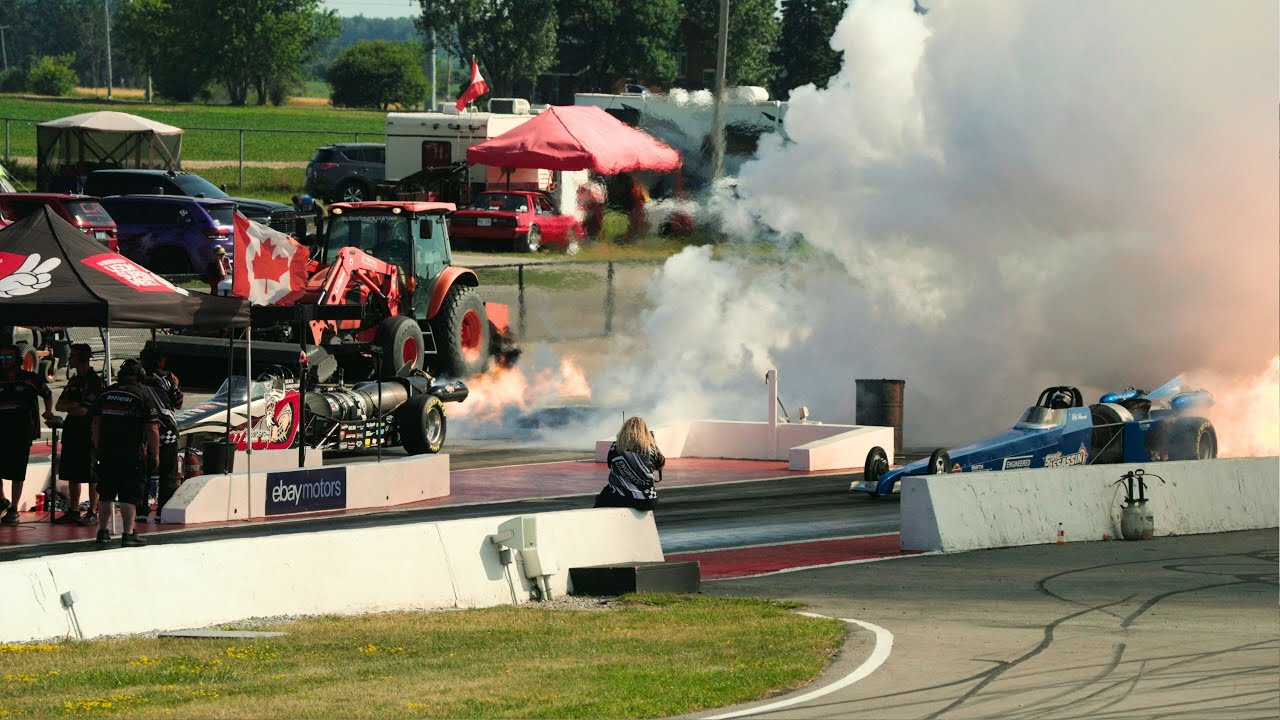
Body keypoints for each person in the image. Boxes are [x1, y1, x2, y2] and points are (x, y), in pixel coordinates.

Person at [91, 360, 159, 547]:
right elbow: (152, 429)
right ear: (140, 375)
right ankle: (128, 533)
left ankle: (103, 531)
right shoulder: (142, 395)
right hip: (131, 454)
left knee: (106, 493)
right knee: (129, 495)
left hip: (106, 452)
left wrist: (97, 448)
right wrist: (155, 455)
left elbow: (96, 423)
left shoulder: (106, 393)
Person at [0, 344, 54, 525]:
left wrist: (48, 412)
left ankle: (14, 508)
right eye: (2, 359)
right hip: (2, 431)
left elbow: (47, 394)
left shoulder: (30, 379)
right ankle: (2, 501)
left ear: (17, 360)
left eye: (8, 358)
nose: (5, 362)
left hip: (21, 432)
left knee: (17, 472)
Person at [53, 344, 103, 525]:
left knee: (91, 474)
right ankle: (74, 510)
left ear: (82, 358)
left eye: (73, 355)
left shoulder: (94, 382)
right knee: (72, 472)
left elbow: (83, 410)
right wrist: (73, 406)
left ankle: (93, 511)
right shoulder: (74, 380)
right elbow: (59, 405)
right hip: (71, 431)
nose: (69, 358)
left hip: (88, 432)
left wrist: (72, 406)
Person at [137, 344, 183, 522]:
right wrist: (176, 384)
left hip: (143, 432)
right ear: (161, 362)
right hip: (166, 431)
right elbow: (178, 402)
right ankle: (163, 510)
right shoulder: (165, 378)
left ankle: (141, 509)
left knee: (143, 472)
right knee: (168, 474)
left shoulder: (138, 379)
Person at [593, 416, 665, 511]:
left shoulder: (616, 447)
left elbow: (610, 464)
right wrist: (653, 444)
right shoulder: (651, 449)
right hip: (649, 500)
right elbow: (659, 466)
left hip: (624, 497)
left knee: (601, 500)